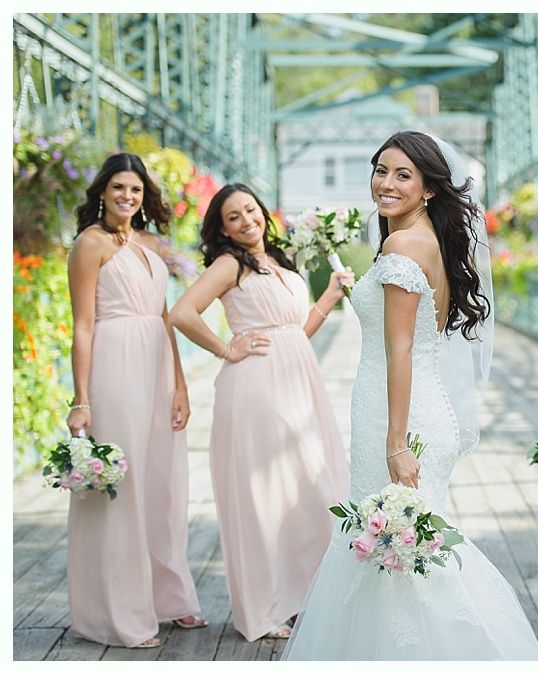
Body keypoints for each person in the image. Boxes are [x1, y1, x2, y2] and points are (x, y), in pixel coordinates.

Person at [282, 131, 538, 660]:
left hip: (399, 419)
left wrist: (396, 442)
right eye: (381, 170)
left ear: (428, 188)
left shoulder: (402, 245)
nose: (386, 182)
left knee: (401, 548)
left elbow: (400, 350)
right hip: (414, 407)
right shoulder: (427, 239)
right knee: (397, 548)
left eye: (403, 174)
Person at [169, 184, 351, 641]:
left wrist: (328, 296)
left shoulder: (279, 260)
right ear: (223, 228)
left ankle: (306, 595)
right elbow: (182, 313)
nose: (246, 220)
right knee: (266, 497)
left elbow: (295, 331)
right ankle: (265, 609)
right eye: (234, 216)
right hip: (258, 389)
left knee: (311, 490)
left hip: (298, 383)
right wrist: (226, 348)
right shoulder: (229, 264)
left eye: (250, 209)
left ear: (262, 213)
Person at [65, 152, 204, 648]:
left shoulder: (149, 243)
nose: (128, 196)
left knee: (163, 483)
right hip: (116, 365)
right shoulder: (89, 244)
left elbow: (166, 317)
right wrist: (81, 400)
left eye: (137, 190)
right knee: (123, 488)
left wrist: (181, 383)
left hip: (158, 367)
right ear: (102, 191)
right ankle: (120, 614)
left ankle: (168, 598)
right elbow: (82, 325)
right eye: (119, 187)